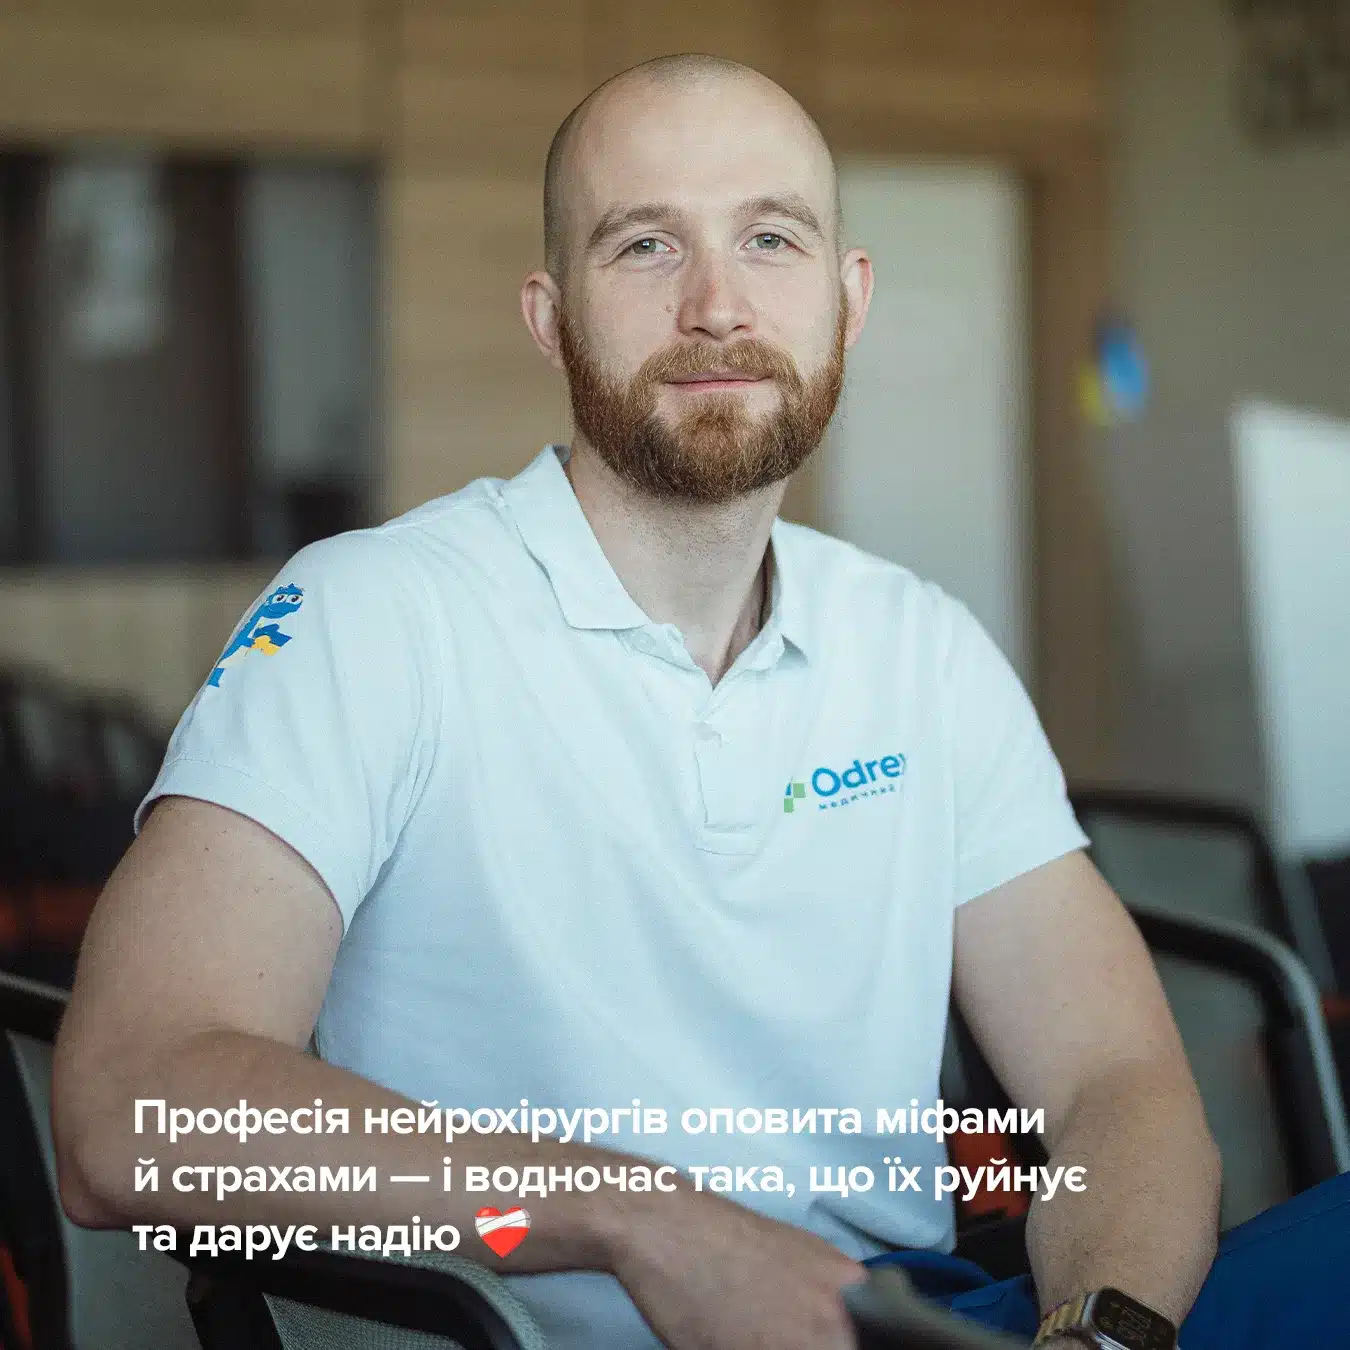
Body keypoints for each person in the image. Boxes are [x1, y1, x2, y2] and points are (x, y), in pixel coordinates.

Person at [49, 54, 1346, 1350]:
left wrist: (1101, 1327)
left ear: (848, 299)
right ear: (551, 316)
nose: (717, 306)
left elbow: (1111, 1076)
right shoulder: (374, 613)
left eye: (769, 239)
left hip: (912, 1316)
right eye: (645, 245)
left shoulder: (919, 644)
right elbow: (128, 1109)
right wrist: (643, 1220)